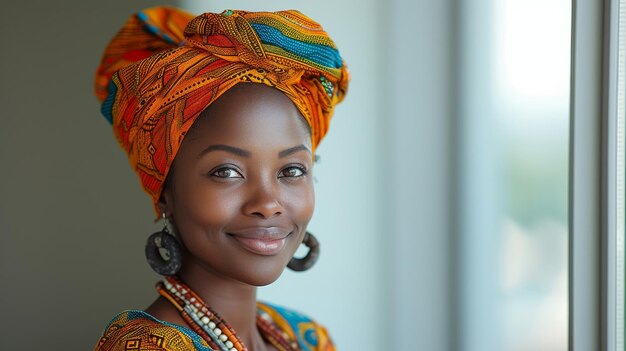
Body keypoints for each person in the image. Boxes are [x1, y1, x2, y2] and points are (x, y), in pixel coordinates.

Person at [92, 6, 349, 351]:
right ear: (164, 190)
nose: (268, 204)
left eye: (292, 170)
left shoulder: (307, 337)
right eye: (226, 172)